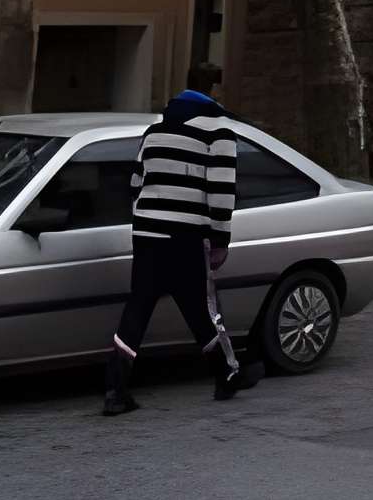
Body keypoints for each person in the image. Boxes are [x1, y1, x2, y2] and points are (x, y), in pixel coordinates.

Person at [104, 65, 264, 414]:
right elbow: (221, 192)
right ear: (214, 91)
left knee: (139, 306)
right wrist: (220, 240)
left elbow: (136, 184)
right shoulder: (219, 132)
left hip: (146, 231)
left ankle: (116, 390)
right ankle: (226, 376)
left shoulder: (155, 130)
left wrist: (148, 219)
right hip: (184, 234)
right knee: (202, 307)